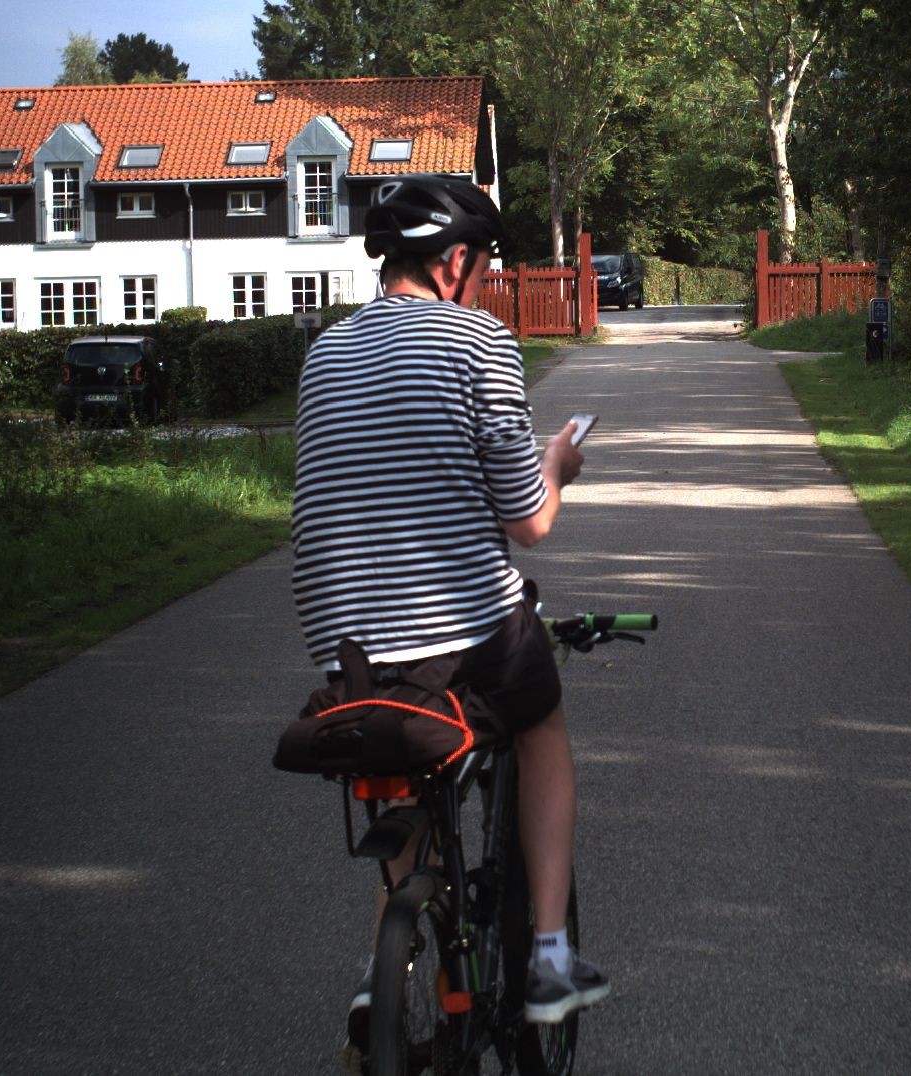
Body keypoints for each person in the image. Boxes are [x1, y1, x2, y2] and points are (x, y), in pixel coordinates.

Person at [289, 174, 605, 1040]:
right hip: (459, 630)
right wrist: (557, 464)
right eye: (486, 266)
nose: (487, 283)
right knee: (541, 723)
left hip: (344, 647)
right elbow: (529, 523)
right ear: (455, 261)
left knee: (409, 769)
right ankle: (550, 955)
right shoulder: (477, 340)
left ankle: (380, 971)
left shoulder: (325, 352)